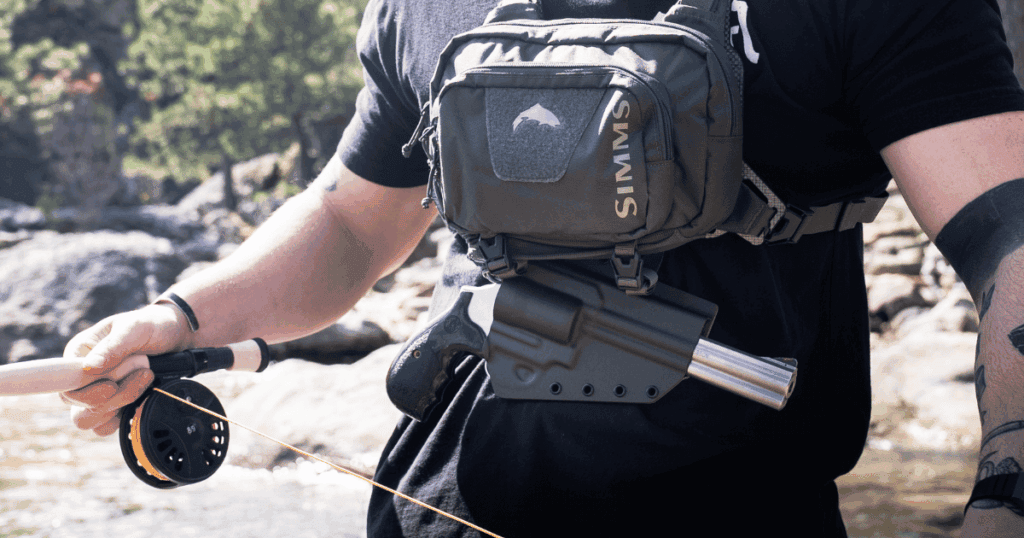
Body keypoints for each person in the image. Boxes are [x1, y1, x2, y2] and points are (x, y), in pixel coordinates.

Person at [60, 0, 1024, 536]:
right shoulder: (429, 5)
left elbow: (1010, 249)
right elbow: (352, 224)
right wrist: (183, 317)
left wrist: (1004, 497)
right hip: (428, 517)